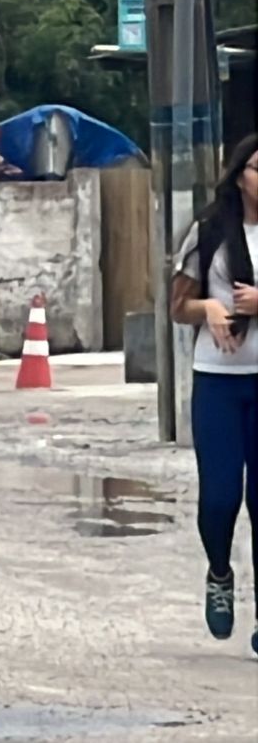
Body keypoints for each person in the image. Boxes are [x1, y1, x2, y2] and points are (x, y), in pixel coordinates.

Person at [171, 132, 258, 656]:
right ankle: (220, 574)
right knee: (221, 497)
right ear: (240, 174)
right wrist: (205, 309)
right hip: (219, 382)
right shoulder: (209, 232)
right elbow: (178, 304)